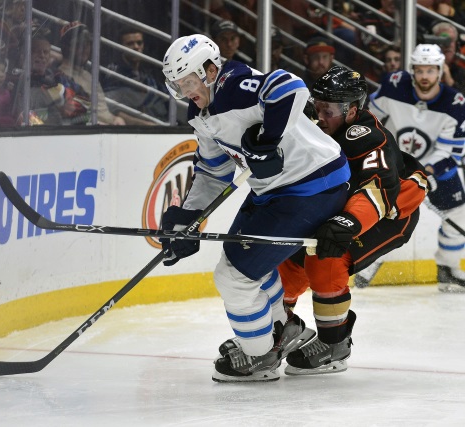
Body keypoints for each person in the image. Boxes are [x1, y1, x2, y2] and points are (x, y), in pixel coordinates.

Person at [160, 34, 352, 382]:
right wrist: (188, 219)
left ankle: (259, 354)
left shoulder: (235, 84)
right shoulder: (201, 111)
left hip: (313, 185)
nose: (185, 90)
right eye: (178, 84)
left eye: (188, 81)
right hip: (277, 191)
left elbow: (290, 87)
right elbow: (213, 170)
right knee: (244, 264)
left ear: (209, 69)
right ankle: (280, 330)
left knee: (233, 277)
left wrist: (267, 140)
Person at [277, 66, 429, 374]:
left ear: (352, 111)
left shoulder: (365, 135)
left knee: (327, 259)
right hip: (342, 211)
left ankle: (335, 344)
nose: (319, 116)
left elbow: (379, 188)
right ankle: (278, 328)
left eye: (328, 110)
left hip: (389, 214)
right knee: (287, 264)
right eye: (316, 106)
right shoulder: (317, 126)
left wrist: (349, 221)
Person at [367, 44, 465, 293]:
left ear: (440, 71)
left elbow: (452, 152)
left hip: (435, 170)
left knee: (459, 214)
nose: (424, 76)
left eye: (430, 71)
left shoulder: (455, 103)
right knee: (383, 213)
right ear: (412, 70)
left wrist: (426, 174)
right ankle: (366, 267)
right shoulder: (394, 86)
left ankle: (448, 268)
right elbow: (370, 118)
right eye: (419, 70)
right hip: (396, 165)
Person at [56, 21, 126, 126]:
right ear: (67, 47)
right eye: (80, 44)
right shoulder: (60, 78)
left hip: (107, 131)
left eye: (87, 43)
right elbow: (74, 119)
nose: (85, 49)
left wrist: (115, 118)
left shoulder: (88, 75)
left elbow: (103, 112)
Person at [103, 27, 169, 124]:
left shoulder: (148, 72)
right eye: (130, 44)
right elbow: (113, 110)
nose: (136, 47)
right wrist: (148, 125)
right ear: (121, 47)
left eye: (139, 43)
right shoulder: (114, 75)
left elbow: (165, 95)